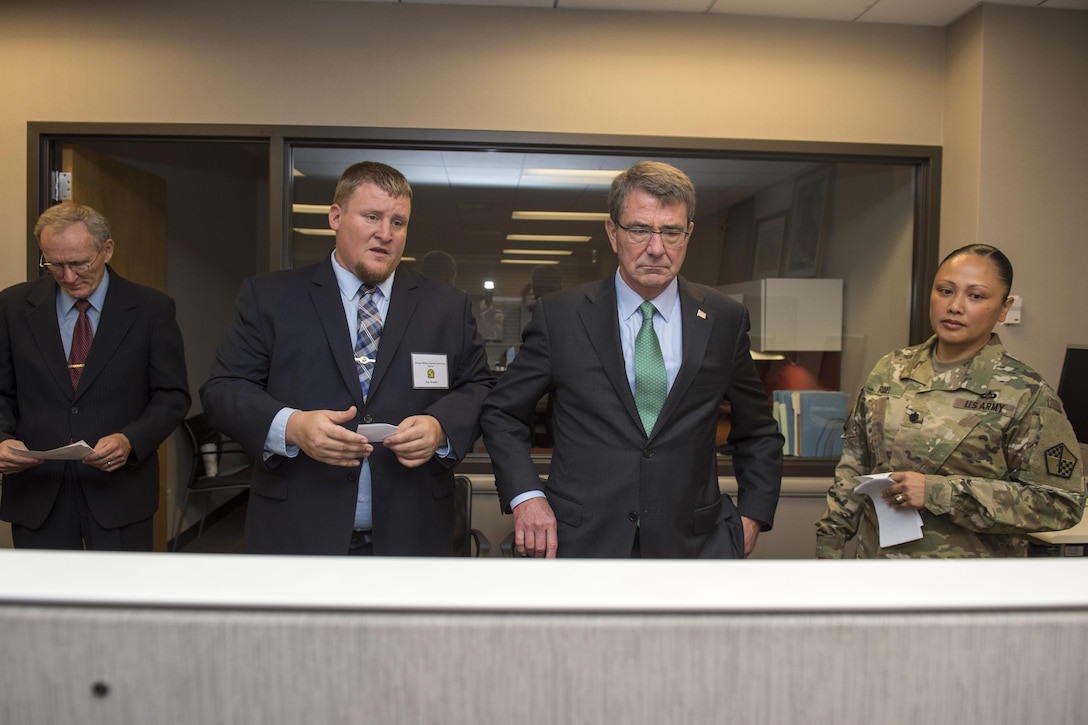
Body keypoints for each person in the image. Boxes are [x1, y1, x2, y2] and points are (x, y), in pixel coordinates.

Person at [480, 161, 783, 558]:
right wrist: (526, 496)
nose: (656, 248)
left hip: (694, 546)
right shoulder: (562, 317)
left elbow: (758, 432)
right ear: (612, 232)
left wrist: (752, 517)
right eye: (640, 229)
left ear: (688, 233)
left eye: (671, 232)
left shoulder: (723, 320)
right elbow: (502, 413)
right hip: (581, 542)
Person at [200, 161, 494, 555]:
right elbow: (222, 391)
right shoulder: (271, 298)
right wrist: (292, 426)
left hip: (413, 534)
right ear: (336, 217)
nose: (384, 234)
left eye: (398, 222)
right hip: (298, 533)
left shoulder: (446, 306)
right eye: (371, 216)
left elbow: (479, 387)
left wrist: (441, 426)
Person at [815, 244, 1085, 558]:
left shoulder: (1026, 393)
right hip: (879, 575)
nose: (955, 306)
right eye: (945, 291)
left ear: (1003, 308)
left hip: (967, 587)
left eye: (976, 296)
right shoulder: (890, 371)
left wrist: (941, 492)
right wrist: (828, 552)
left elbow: (1061, 504)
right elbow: (853, 468)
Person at [0, 201, 190, 550]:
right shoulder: (12, 306)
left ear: (107, 250)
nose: (69, 276)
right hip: (37, 494)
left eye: (79, 263)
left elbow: (172, 396)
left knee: (122, 602)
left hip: (119, 494)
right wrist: (1, 439)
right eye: (55, 264)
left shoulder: (152, 309)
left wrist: (130, 440)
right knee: (45, 603)